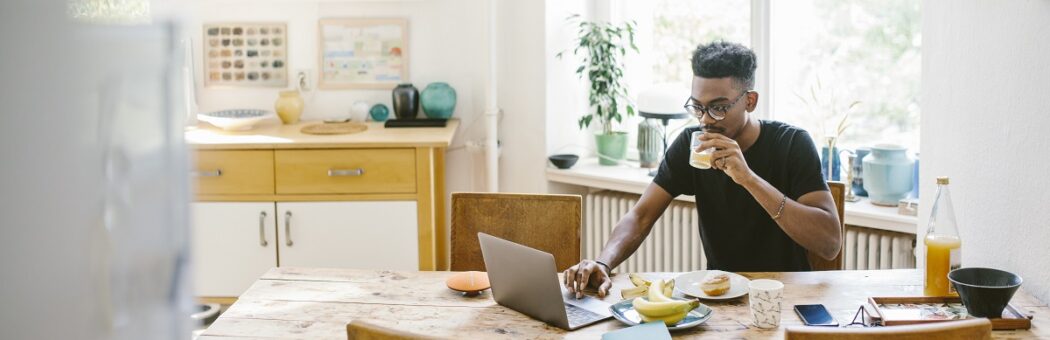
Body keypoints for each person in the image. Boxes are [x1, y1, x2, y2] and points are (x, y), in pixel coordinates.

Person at [564, 41, 842, 298]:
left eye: (719, 108)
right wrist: (603, 261)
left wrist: (748, 178)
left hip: (784, 293)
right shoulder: (689, 144)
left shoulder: (792, 144)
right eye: (698, 107)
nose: (706, 119)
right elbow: (641, 216)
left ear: (750, 101)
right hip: (719, 293)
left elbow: (829, 244)